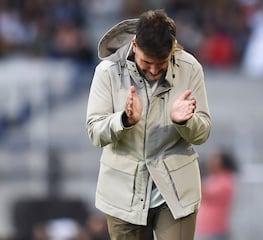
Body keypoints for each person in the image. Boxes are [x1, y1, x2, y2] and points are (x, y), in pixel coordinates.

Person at [86, 9, 211, 240]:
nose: (154, 70)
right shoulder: (108, 71)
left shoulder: (190, 68)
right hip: (123, 194)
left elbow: (202, 132)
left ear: (172, 50)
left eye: (161, 63)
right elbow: (95, 131)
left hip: (176, 193)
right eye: (147, 62)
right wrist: (123, 120)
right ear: (134, 45)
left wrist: (185, 121)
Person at [195, 149, 239, 240]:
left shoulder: (226, 180)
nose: (210, 160)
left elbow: (205, 194)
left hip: (216, 232)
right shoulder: (213, 178)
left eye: (215, 158)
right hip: (207, 231)